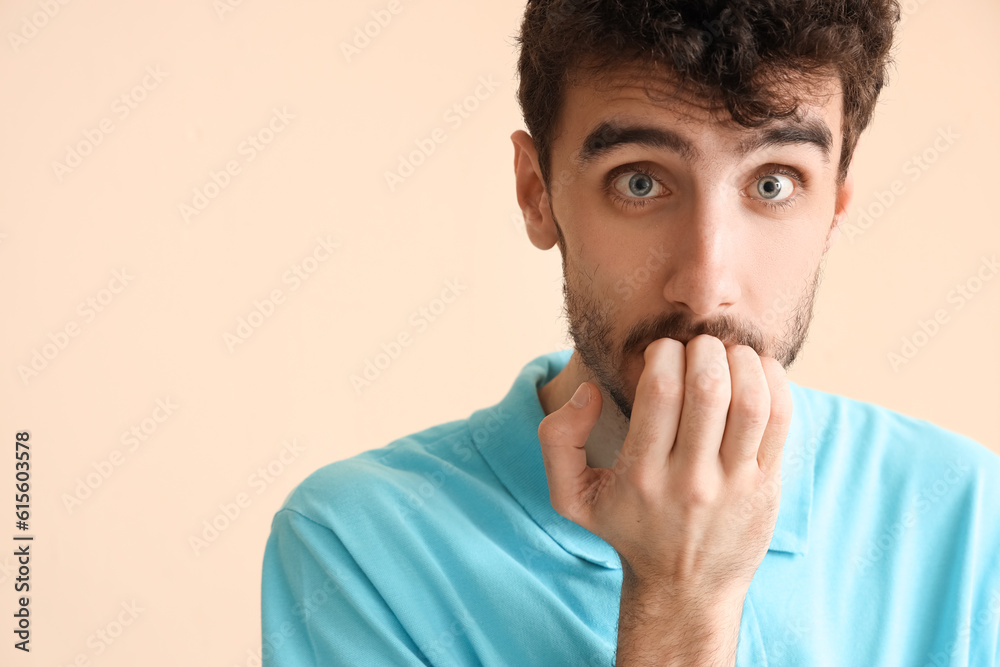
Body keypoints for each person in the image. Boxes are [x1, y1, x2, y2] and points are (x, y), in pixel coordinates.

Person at [261, 1, 1000, 664]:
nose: (706, 284)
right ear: (536, 193)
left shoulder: (968, 522)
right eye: (639, 181)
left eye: (773, 182)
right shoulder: (358, 548)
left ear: (834, 208)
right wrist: (682, 602)